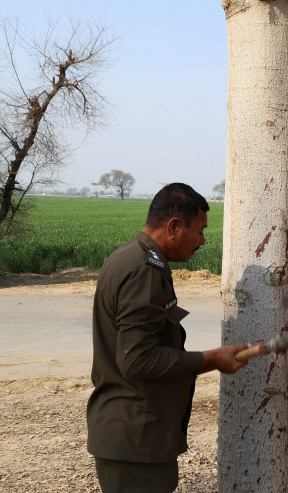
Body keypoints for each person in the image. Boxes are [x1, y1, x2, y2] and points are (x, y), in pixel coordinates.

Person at [87, 183, 249, 493]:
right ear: (173, 227)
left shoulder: (132, 258)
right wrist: (210, 358)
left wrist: (214, 360)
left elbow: (152, 351)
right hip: (136, 439)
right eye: (199, 231)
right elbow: (138, 360)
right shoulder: (143, 270)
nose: (202, 241)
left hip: (133, 436)